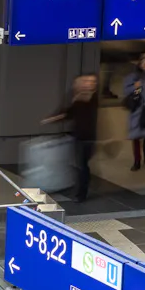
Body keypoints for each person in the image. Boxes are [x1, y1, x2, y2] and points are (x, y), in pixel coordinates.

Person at [44, 74, 99, 202]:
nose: (90, 84)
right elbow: (69, 113)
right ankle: (79, 190)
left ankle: (81, 193)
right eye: (87, 81)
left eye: (92, 81)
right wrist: (53, 118)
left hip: (87, 137)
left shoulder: (91, 98)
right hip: (79, 136)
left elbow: (80, 108)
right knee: (80, 164)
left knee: (82, 165)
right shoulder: (79, 98)